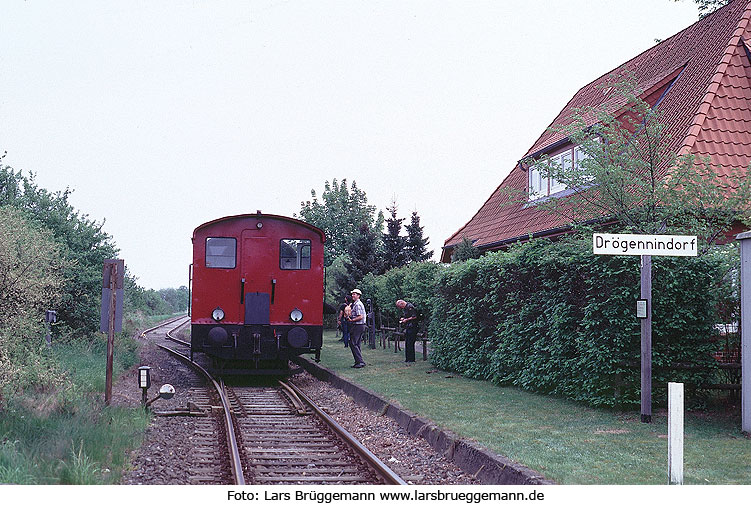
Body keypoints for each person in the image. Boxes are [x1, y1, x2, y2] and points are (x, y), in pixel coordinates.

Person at [347, 289, 367, 368]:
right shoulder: (355, 304)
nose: (352, 295)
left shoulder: (358, 304)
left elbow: (360, 316)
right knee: (356, 344)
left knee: (353, 343)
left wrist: (351, 320)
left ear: (358, 295)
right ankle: (358, 362)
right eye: (352, 294)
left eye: (354, 294)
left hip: (358, 325)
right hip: (359, 325)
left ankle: (360, 362)